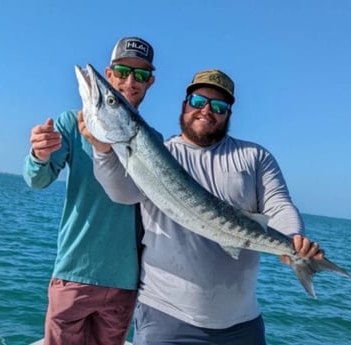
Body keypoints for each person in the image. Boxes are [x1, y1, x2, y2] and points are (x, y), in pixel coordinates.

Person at [91, 69, 324, 344]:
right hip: (166, 318)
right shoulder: (160, 153)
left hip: (242, 324)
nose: (206, 111)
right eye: (198, 101)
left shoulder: (254, 157)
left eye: (218, 106)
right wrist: (102, 149)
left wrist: (292, 238)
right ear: (184, 105)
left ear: (229, 114)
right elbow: (122, 193)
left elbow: (279, 204)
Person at [23, 36, 156, 345]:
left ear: (151, 82)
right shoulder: (72, 123)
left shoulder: (155, 141)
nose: (130, 81)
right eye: (122, 71)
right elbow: (37, 180)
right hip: (74, 272)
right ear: (108, 76)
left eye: (140, 74)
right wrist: (38, 156)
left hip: (125, 281)